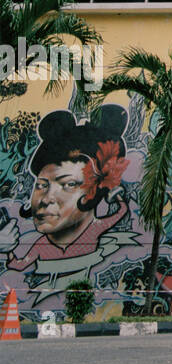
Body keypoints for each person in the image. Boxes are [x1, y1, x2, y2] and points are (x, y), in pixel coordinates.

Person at [0, 105, 138, 301]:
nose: (46, 199)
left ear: (97, 191)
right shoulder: (41, 246)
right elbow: (18, 265)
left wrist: (115, 196)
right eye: (40, 185)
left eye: (68, 184)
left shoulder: (97, 233)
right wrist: (5, 248)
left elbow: (122, 211)